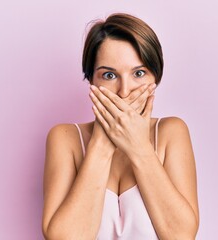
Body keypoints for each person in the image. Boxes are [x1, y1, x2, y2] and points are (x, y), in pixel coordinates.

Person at [42, 13, 199, 239]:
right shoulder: (65, 138)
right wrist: (103, 142)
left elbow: (182, 236)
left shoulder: (171, 132)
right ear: (91, 80)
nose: (124, 92)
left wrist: (138, 146)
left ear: (155, 76)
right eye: (109, 75)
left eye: (138, 73)